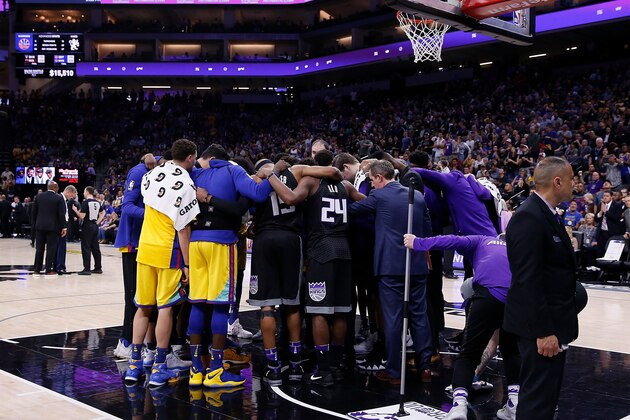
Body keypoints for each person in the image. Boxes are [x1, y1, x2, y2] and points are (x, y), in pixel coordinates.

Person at [404, 233, 521, 419]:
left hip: (487, 295)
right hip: (516, 299)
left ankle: (459, 406)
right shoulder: (519, 248)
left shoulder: (482, 240)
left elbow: (449, 240)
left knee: (468, 354)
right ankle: (514, 404)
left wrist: (418, 242)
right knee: (512, 351)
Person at [187, 144, 274, 388]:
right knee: (219, 305)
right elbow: (257, 195)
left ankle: (196, 370)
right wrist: (270, 175)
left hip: (195, 242)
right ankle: (215, 371)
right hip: (222, 242)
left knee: (197, 303)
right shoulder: (233, 171)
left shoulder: (195, 173)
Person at [503, 156, 579, 419]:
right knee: (537, 402)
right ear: (557, 182)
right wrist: (544, 331)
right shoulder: (530, 217)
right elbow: (527, 280)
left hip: (554, 323)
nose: (575, 184)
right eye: (571, 179)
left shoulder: (546, 214)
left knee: (546, 402)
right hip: (540, 328)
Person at [349, 160, 433, 385]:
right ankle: (425, 368)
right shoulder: (418, 196)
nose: (371, 184)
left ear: (378, 177)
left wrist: (349, 191)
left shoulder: (380, 196)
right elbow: (427, 232)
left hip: (390, 267)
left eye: (371, 180)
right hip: (416, 266)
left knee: (393, 318)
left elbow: (350, 211)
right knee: (419, 316)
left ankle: (395, 371)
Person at [124, 139, 200, 388]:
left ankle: (134, 366)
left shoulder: (152, 173)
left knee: (143, 306)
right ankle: (159, 367)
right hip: (168, 251)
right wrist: (188, 265)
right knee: (165, 308)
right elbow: (184, 228)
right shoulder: (187, 184)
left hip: (145, 248)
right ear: (190, 157)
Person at [113, 153, 159, 359]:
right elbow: (127, 207)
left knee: (148, 297)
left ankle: (148, 343)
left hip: (148, 242)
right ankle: (125, 342)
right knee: (133, 295)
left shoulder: (158, 172)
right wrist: (155, 215)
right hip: (133, 242)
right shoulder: (140, 171)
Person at [31, 181, 67, 275]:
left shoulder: (38, 197)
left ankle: (36, 269)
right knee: (51, 249)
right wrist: (63, 227)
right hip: (53, 227)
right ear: (55, 188)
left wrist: (35, 224)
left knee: (39, 249)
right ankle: (48, 269)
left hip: (40, 226)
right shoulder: (58, 198)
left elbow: (33, 212)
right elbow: (61, 214)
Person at [75, 186, 105, 275]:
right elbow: (103, 213)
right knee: (95, 248)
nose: (83, 193)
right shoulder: (97, 202)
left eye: (84, 191)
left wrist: (76, 211)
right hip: (95, 226)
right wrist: (97, 222)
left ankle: (87, 268)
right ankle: (98, 267)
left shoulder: (85, 202)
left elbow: (82, 216)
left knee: (86, 247)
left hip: (87, 226)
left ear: (88, 192)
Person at [55, 185, 78, 275]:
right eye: (72, 195)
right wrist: (63, 226)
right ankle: (60, 267)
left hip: (63, 226)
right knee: (60, 247)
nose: (72, 198)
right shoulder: (60, 199)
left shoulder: (63, 200)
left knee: (60, 247)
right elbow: (60, 215)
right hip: (61, 227)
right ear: (68, 192)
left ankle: (59, 265)